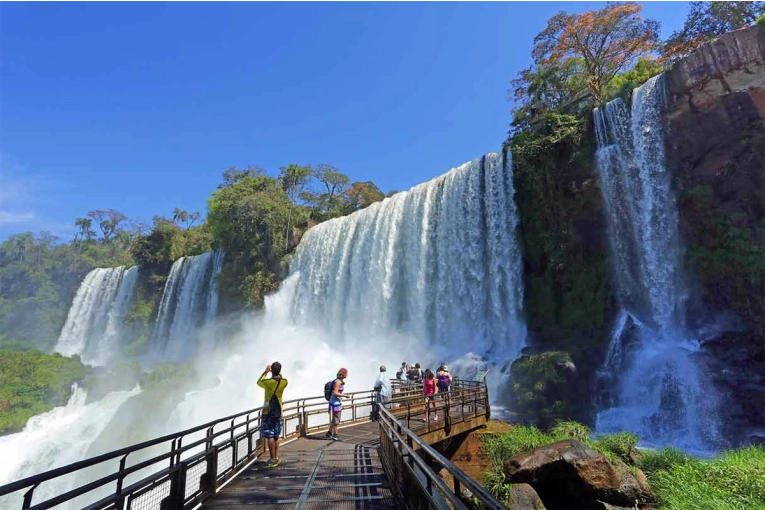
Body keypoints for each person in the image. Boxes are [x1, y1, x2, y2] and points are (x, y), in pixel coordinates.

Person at [257, 361, 288, 468]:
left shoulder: (268, 382)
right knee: (276, 435)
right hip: (279, 410)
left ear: (272, 370)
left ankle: (272, 459)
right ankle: (276, 457)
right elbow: (281, 377)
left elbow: (258, 382)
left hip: (268, 411)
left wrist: (266, 372)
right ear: (280, 371)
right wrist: (276, 372)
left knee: (269, 435)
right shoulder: (284, 382)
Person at [326, 368, 349, 441]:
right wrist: (344, 395)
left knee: (334, 418)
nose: (347, 375)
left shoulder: (337, 380)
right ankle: (335, 435)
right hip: (336, 403)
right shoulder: (338, 382)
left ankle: (329, 432)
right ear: (343, 374)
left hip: (334, 402)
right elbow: (335, 393)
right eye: (346, 373)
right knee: (336, 420)